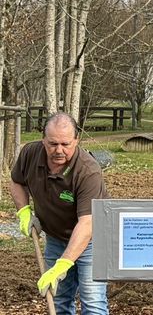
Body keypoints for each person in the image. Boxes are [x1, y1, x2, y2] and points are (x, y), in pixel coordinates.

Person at [11, 113, 110, 315]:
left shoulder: (88, 171)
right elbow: (17, 181)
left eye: (65, 144)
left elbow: (87, 223)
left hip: (93, 240)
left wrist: (63, 264)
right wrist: (23, 211)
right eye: (52, 143)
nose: (58, 150)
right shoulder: (30, 153)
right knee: (59, 300)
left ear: (76, 140)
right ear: (43, 140)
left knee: (92, 302)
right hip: (56, 238)